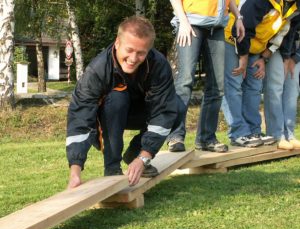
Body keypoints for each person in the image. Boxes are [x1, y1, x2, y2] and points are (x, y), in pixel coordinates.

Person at [66, 16, 184, 188]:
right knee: (117, 98)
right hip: (109, 116)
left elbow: (163, 113)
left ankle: (135, 155)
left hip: (142, 113)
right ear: (117, 43)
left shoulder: (159, 66)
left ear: (149, 50)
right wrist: (75, 172)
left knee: (177, 106)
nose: (133, 58)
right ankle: (112, 167)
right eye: (129, 50)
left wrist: (144, 156)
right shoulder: (97, 70)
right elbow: (80, 117)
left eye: (141, 53)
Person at [167, 0, 245, 153]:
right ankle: (175, 137)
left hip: (216, 28)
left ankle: (206, 138)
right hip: (190, 23)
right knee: (185, 81)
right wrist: (183, 21)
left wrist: (238, 17)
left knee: (217, 86)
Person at [222, 0, 299, 148]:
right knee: (234, 85)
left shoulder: (291, 7)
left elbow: (281, 33)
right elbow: (244, 25)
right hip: (233, 39)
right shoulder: (261, 1)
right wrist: (243, 59)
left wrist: (264, 58)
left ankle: (253, 131)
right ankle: (238, 133)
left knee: (254, 87)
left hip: (255, 47)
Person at [264, 14, 300, 150]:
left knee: (292, 90)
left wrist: (294, 58)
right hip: (273, 46)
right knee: (275, 87)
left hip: (293, 51)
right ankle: (276, 135)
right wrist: (286, 57)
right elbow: (286, 29)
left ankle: (289, 134)